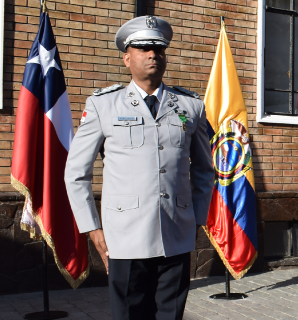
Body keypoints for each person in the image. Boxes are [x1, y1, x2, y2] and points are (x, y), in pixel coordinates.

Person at [64, 16, 214, 320]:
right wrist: (92, 228)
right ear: (126, 57)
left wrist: (196, 217)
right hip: (126, 236)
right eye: (144, 48)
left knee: (170, 315)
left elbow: (204, 169)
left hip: (175, 231)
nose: (152, 55)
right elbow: (76, 173)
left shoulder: (190, 107)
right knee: (131, 314)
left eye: (158, 49)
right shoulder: (104, 105)